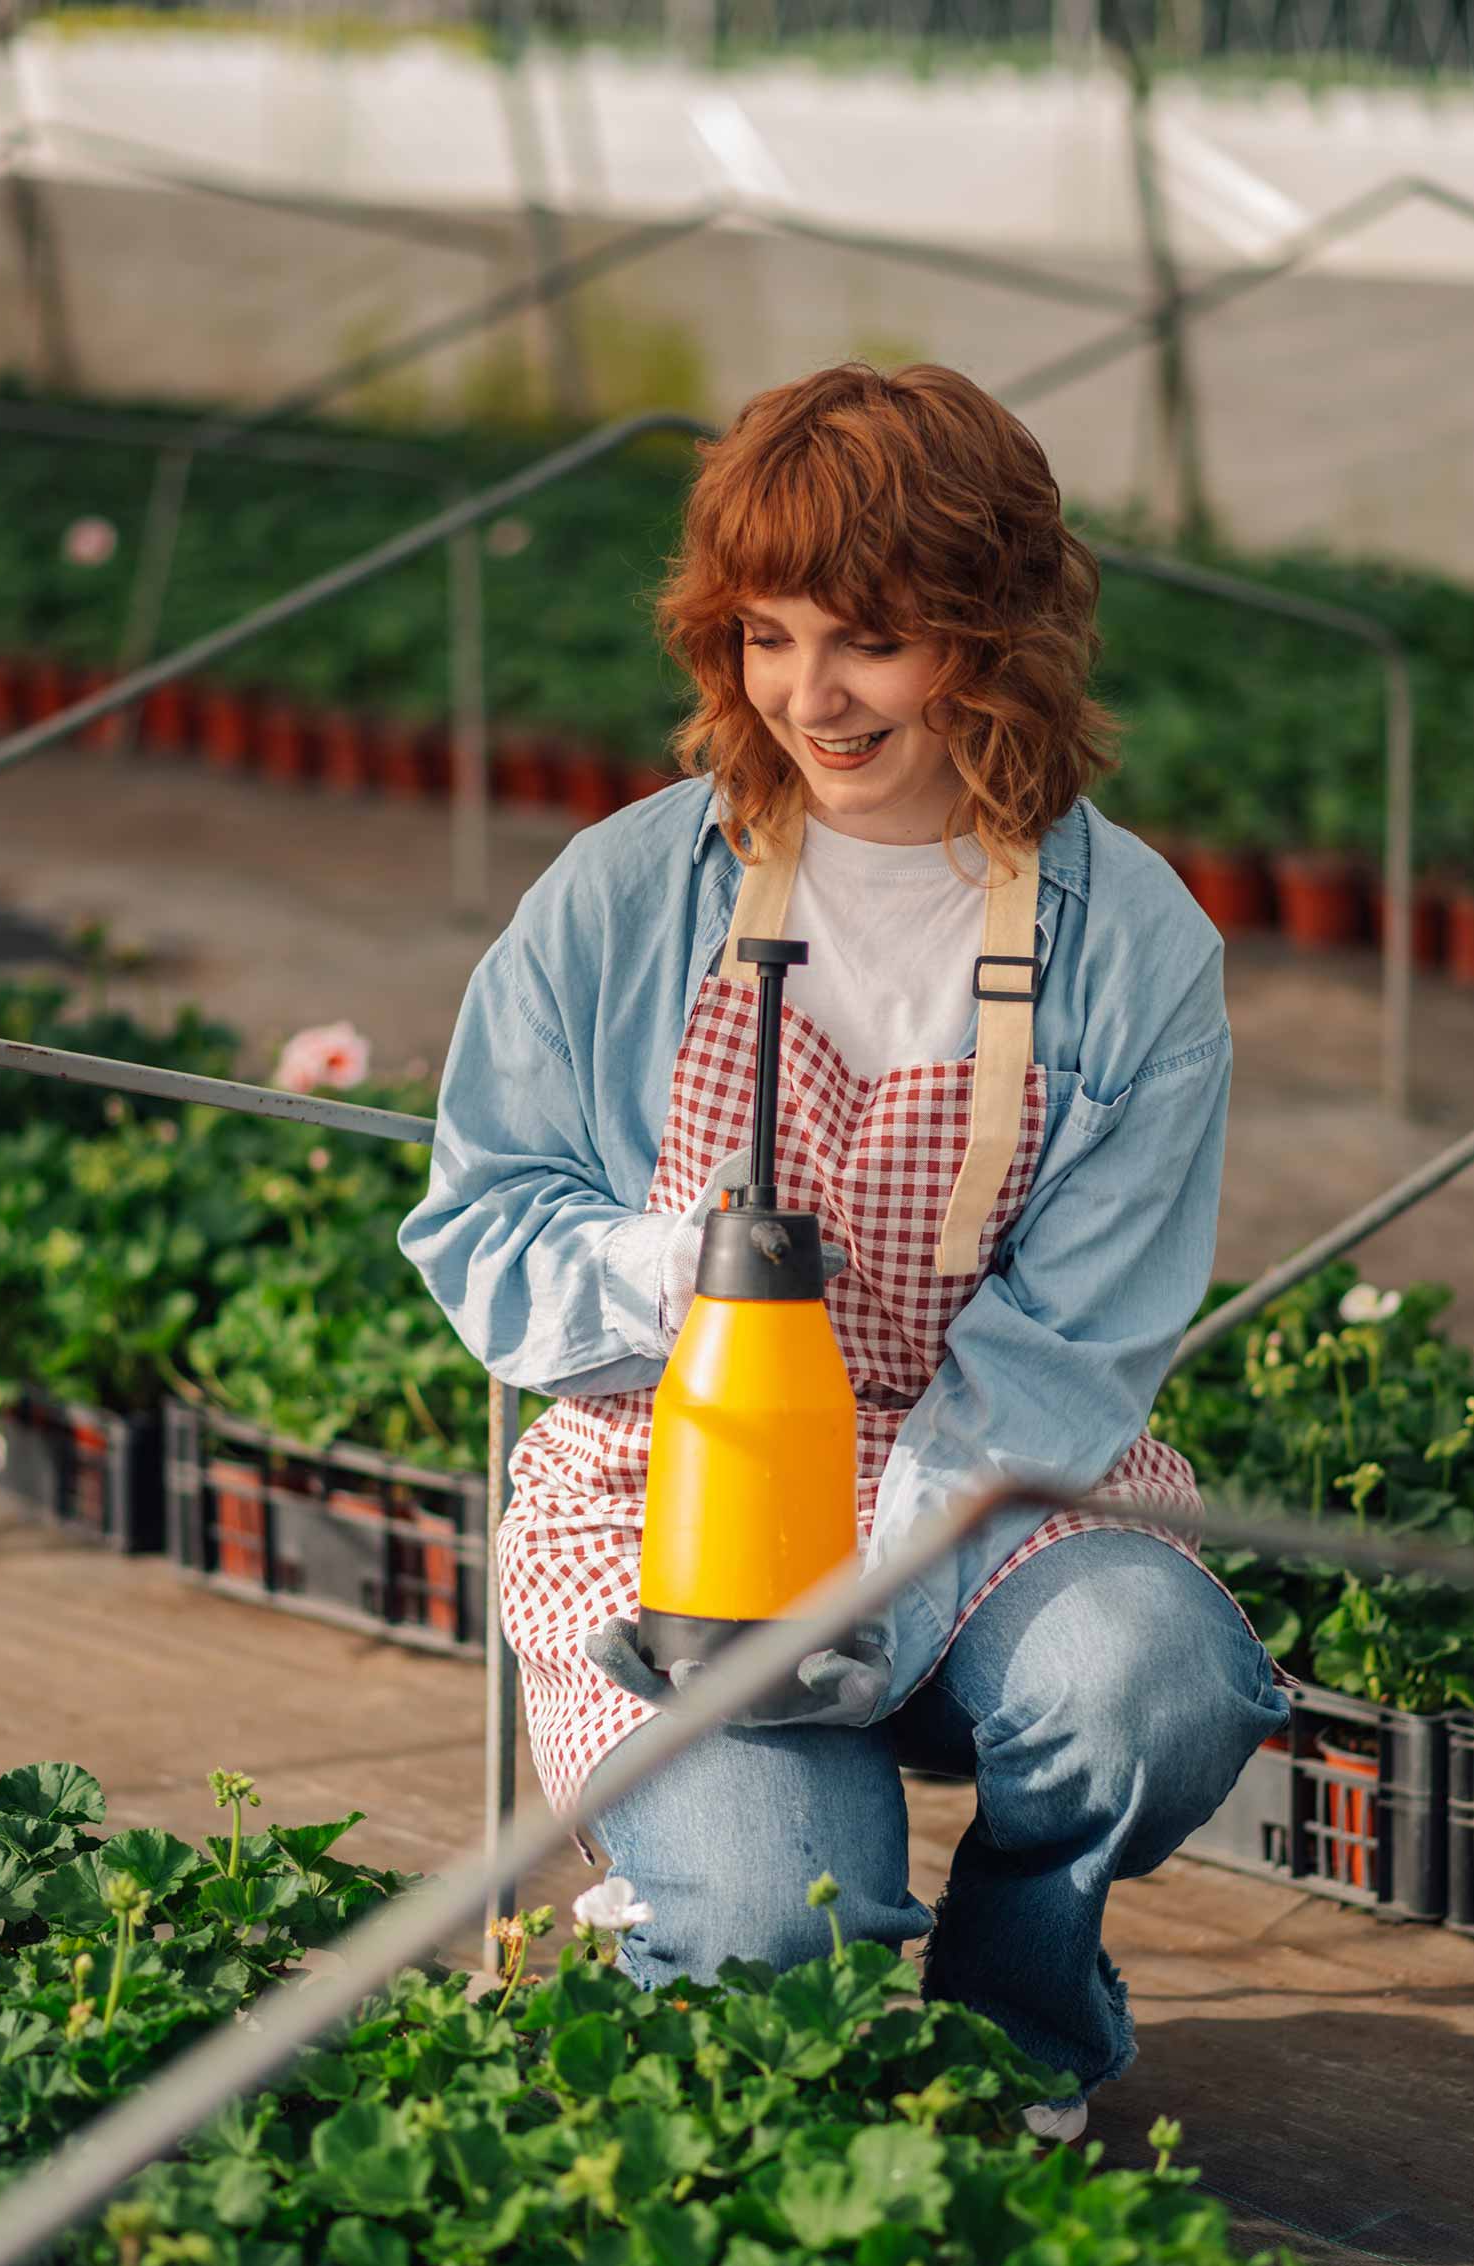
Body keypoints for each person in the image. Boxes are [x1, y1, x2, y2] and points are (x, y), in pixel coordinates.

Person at [398, 360, 1293, 2143]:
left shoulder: (1131, 945)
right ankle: (704, 1907)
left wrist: (873, 1600)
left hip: (994, 1475)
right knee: (768, 1932)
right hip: (676, 1481)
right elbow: (480, 1230)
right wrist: (681, 1276)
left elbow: (1073, 1341)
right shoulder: (623, 894)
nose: (808, 694)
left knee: (1150, 1684)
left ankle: (1012, 2020)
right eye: (764, 635)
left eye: (867, 639)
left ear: (993, 628)